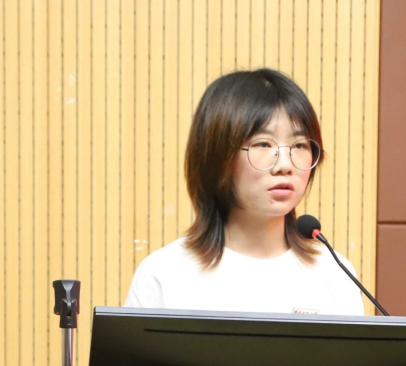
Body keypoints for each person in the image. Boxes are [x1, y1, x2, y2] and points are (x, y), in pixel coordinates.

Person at [123, 68, 365, 316]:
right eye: (263, 144)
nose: (285, 164)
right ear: (216, 157)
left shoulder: (335, 275)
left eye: (299, 145)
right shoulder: (164, 275)